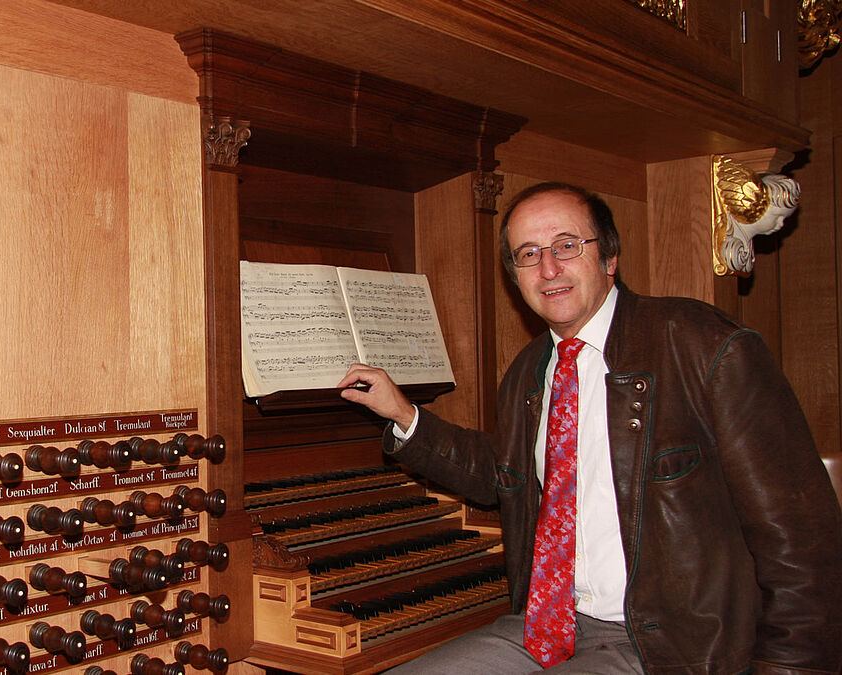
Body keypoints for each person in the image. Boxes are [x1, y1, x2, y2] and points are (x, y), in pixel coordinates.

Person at [337, 182, 842, 674]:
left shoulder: (705, 346)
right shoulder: (530, 370)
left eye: (566, 245)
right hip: (545, 625)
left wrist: (789, 665)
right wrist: (405, 415)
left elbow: (799, 537)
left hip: (671, 643)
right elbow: (502, 473)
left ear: (609, 257)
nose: (548, 268)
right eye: (528, 254)